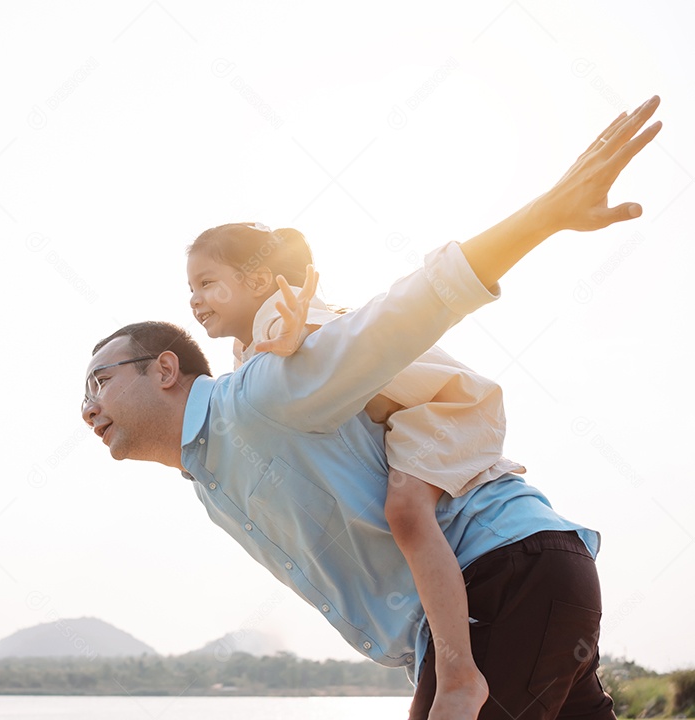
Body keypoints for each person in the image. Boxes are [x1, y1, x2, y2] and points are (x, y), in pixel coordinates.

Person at [80, 97, 662, 720]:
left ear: (164, 370)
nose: (87, 408)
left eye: (99, 382)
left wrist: (543, 215)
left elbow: (404, 313)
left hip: (501, 574)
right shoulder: (214, 474)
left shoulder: (260, 393)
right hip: (513, 588)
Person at [186, 222, 526, 718]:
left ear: (258, 281)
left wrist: (290, 334)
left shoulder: (287, 316)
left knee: (406, 511)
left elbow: (304, 336)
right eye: (190, 289)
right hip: (415, 421)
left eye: (206, 282)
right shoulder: (246, 354)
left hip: (446, 410)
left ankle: (459, 676)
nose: (195, 299)